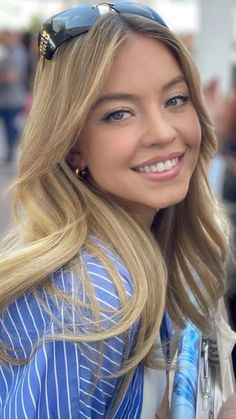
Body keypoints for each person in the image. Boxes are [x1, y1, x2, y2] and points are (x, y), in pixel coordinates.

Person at [0, 2, 234, 418]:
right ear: (72, 145)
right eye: (119, 113)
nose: (163, 132)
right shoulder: (89, 304)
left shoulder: (158, 243)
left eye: (176, 99)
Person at [0, 30, 28, 163]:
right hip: (7, 97)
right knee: (9, 125)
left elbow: (12, 76)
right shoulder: (13, 51)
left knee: (10, 124)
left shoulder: (16, 53)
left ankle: (17, 144)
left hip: (12, 98)